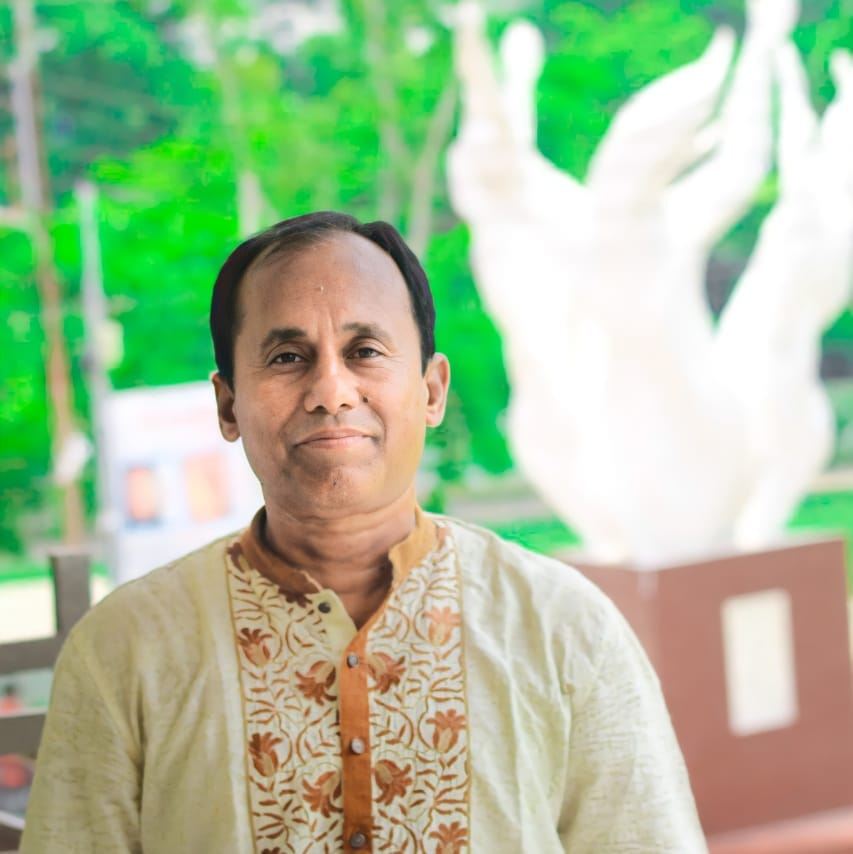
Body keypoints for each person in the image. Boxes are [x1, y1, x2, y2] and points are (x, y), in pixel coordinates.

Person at [21, 212, 706, 852]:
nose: (331, 391)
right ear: (228, 405)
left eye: (365, 350)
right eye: (287, 357)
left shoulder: (562, 628)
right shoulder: (125, 650)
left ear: (431, 391)